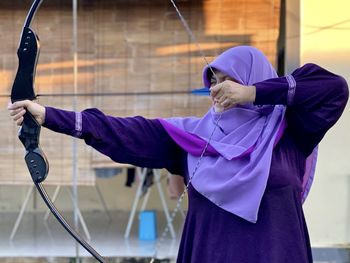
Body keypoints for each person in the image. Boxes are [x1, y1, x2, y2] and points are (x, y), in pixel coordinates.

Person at [8, 46, 349, 263]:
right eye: (214, 81)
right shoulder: (189, 137)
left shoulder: (289, 131)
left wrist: (253, 94)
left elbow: (333, 88)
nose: (218, 90)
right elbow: (122, 130)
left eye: (229, 81)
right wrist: (49, 116)